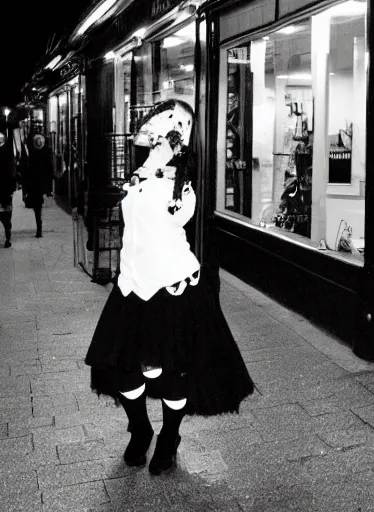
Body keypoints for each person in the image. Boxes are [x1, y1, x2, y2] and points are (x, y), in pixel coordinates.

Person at [85, 100, 254, 476]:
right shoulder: (142, 176)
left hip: (169, 288)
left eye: (162, 138)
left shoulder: (183, 189)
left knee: (164, 372)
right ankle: (141, 429)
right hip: (131, 286)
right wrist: (149, 164)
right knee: (124, 369)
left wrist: (167, 160)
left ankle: (169, 436)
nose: (152, 144)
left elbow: (174, 214)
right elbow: (132, 205)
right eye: (152, 138)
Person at [22, 134, 53, 238]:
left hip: (35, 184)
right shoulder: (47, 153)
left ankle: (39, 229)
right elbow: (50, 169)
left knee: (37, 208)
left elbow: (28, 170)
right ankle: (39, 228)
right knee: (38, 207)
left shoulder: (32, 154)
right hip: (40, 184)